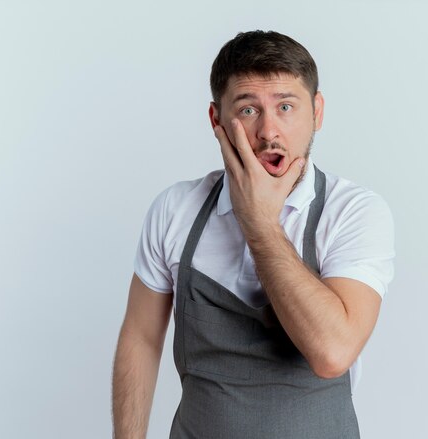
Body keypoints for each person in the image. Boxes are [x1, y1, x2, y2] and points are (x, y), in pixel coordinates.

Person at [112, 30, 395, 439]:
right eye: (248, 110)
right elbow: (140, 338)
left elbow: (333, 353)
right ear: (217, 120)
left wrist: (259, 222)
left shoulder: (354, 212)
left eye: (285, 106)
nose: (268, 131)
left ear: (317, 112)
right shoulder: (176, 209)